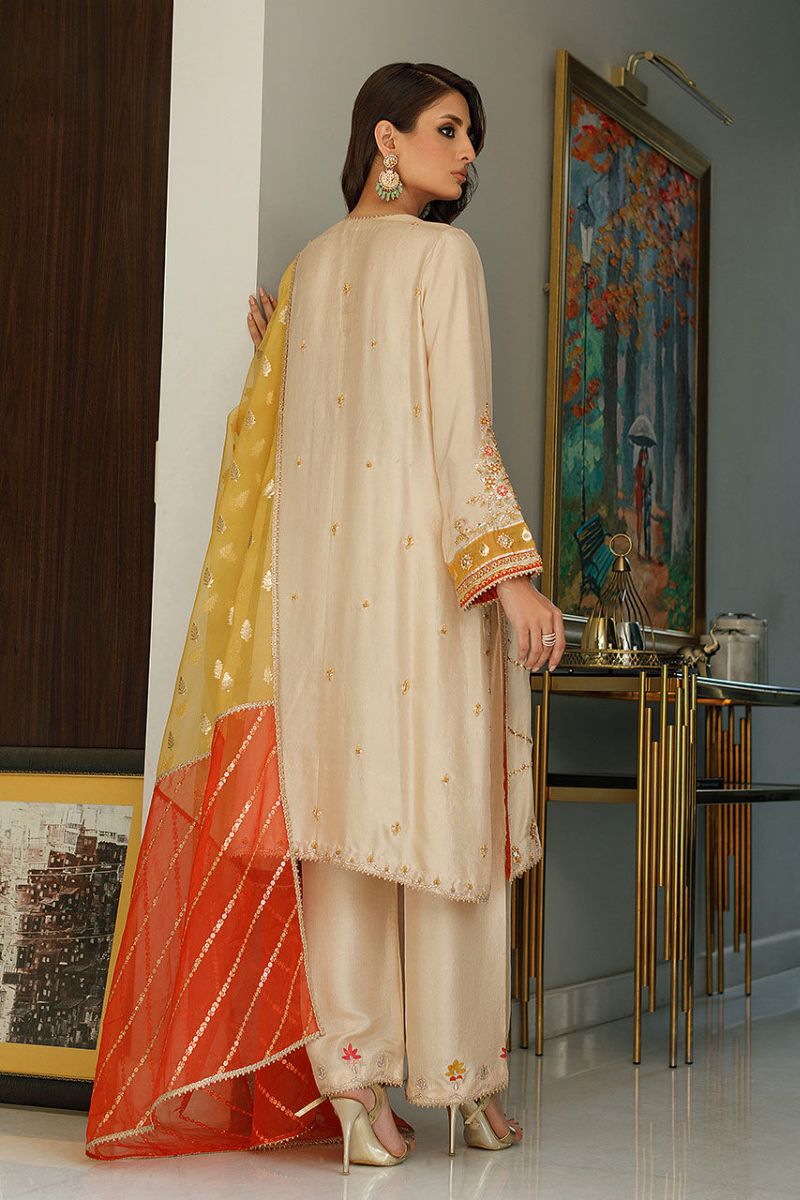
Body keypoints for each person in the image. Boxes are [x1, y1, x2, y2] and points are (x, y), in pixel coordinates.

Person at [84, 61, 565, 1174]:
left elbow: (278, 441)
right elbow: (460, 435)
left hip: (318, 607)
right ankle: (464, 1086)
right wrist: (509, 578)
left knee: (343, 836)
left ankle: (353, 1095)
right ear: (385, 140)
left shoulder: (306, 272)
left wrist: (277, 347)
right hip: (425, 592)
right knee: (444, 831)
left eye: (471, 138)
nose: (468, 155)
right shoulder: (443, 258)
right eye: (449, 129)